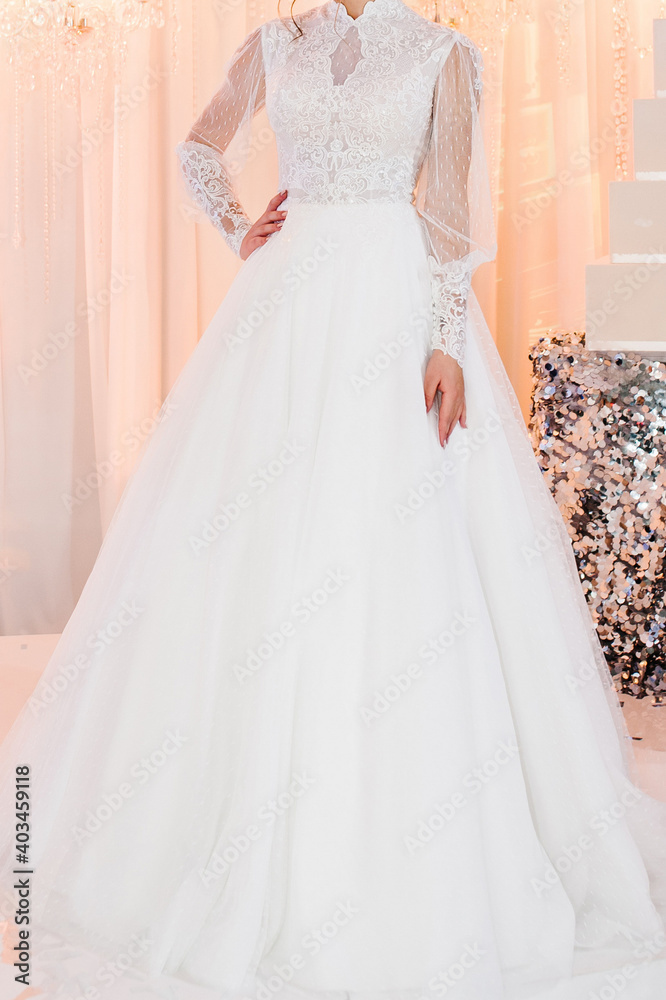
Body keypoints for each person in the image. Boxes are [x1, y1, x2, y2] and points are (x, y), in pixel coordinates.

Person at [1, 0, 665, 997]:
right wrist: (238, 225)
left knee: (395, 540)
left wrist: (446, 339)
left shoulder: (443, 53)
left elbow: (448, 211)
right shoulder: (275, 42)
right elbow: (198, 147)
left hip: (392, 309)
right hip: (283, 309)